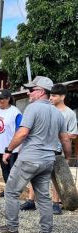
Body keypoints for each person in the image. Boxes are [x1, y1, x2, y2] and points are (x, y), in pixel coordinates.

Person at [0, 76, 71, 233]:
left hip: (30, 158)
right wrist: (67, 158)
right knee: (44, 198)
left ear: (41, 91)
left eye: (31, 90)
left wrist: (8, 149)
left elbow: (22, 133)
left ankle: (11, 228)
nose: (28, 93)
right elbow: (65, 139)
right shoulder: (58, 114)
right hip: (47, 161)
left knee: (11, 192)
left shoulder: (33, 108)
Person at [20, 83, 77, 214]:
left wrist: (59, 134)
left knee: (55, 177)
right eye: (50, 95)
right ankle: (30, 201)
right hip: (40, 148)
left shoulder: (69, 114)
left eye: (54, 95)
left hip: (57, 150)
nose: (51, 98)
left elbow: (73, 134)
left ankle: (56, 204)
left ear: (62, 97)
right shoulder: (46, 109)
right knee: (34, 174)